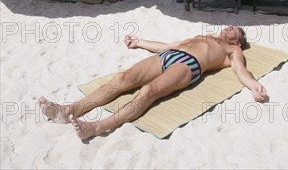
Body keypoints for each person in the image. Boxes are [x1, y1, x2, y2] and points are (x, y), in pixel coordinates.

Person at [39, 26, 267, 140]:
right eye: (229, 26)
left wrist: (253, 85)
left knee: (149, 91)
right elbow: (168, 45)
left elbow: (241, 70)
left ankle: (97, 127)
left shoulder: (233, 50)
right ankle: (69, 109)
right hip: (170, 55)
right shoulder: (204, 36)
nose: (228, 28)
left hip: (189, 65)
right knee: (122, 79)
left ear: (237, 39)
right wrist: (139, 42)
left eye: (233, 29)